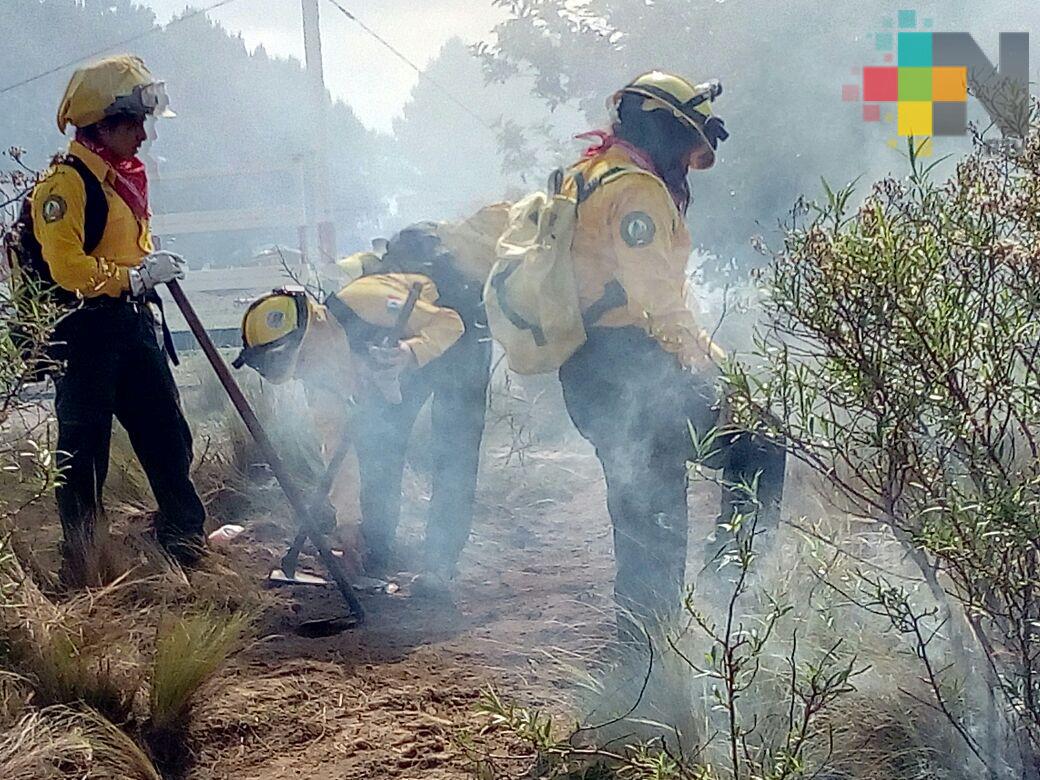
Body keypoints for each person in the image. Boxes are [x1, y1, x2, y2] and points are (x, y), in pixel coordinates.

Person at [556, 71, 786, 643]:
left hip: (587, 370)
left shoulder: (585, 175)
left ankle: (644, 653)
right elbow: (658, 304)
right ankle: (727, 597)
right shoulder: (635, 189)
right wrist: (714, 373)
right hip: (633, 367)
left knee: (643, 516)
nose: (687, 165)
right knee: (759, 446)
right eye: (687, 147)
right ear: (665, 129)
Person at [29, 55, 203, 586]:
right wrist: (132, 278)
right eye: (134, 124)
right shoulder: (66, 186)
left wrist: (140, 275)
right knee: (83, 456)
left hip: (130, 326)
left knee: (168, 436)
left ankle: (185, 546)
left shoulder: (122, 178)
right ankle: (84, 566)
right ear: (101, 125)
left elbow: (121, 252)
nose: (145, 135)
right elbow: (68, 268)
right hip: (84, 334)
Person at [233, 270, 469, 593]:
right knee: (378, 449)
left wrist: (409, 352)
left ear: (305, 339)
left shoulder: (362, 305)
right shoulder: (319, 381)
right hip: (396, 369)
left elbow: (451, 323)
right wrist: (348, 524)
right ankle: (375, 556)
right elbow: (337, 447)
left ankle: (439, 566)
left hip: (457, 347)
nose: (300, 372)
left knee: (453, 453)